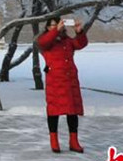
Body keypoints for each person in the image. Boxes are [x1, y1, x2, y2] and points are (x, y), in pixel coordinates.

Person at [36, 16, 88, 153]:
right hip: (55, 80)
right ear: (47, 28)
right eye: (52, 25)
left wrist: (79, 32)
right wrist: (55, 31)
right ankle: (54, 140)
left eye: (57, 24)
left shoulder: (67, 41)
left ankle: (74, 140)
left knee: (72, 110)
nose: (55, 27)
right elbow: (44, 42)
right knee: (54, 110)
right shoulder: (45, 41)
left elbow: (80, 44)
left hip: (70, 79)